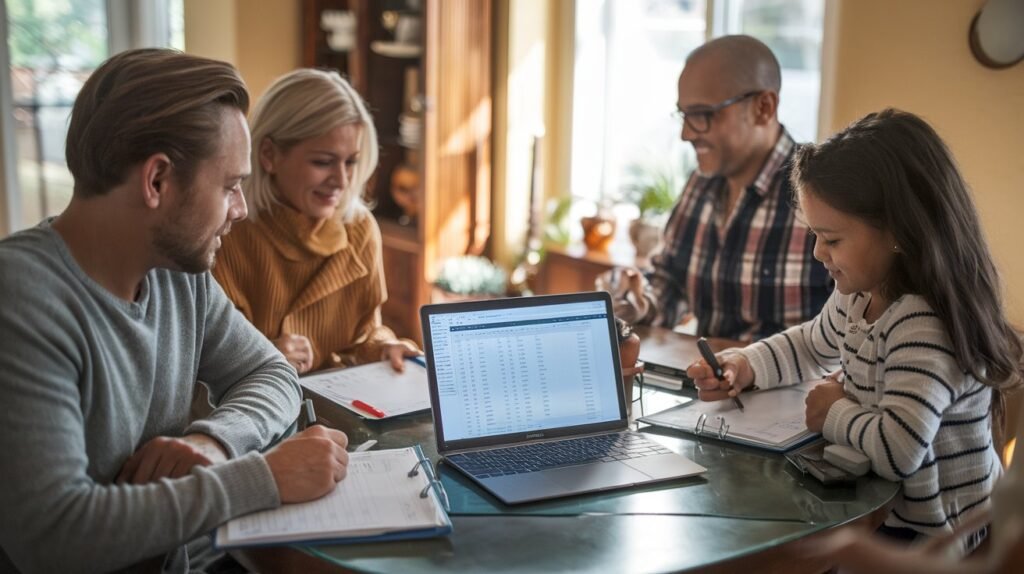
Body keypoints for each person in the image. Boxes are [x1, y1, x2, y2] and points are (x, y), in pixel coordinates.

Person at [0, 49, 350, 573]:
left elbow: (271, 373)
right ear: (157, 180)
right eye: (230, 186)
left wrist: (214, 440)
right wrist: (266, 478)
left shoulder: (175, 274)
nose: (242, 208)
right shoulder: (20, 298)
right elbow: (55, 535)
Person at [687, 109, 1024, 548]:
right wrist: (745, 365)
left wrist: (834, 411)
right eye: (814, 235)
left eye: (832, 239)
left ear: (897, 232)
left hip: (938, 543)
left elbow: (899, 451)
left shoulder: (921, 323)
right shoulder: (861, 293)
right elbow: (812, 344)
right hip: (896, 519)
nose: (817, 253)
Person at [608, 35, 832, 341]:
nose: (686, 134)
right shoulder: (701, 183)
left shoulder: (822, 192)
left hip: (790, 386)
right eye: (684, 115)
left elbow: (852, 329)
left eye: (702, 115)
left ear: (763, 108)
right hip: (704, 379)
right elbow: (671, 283)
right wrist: (637, 303)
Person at [212, 68, 419, 375]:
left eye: (351, 162)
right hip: (255, 412)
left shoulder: (359, 229)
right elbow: (205, 363)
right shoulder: (226, 234)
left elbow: (364, 335)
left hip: (335, 410)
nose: (341, 180)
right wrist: (262, 357)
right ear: (269, 154)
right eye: (323, 162)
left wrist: (384, 348)